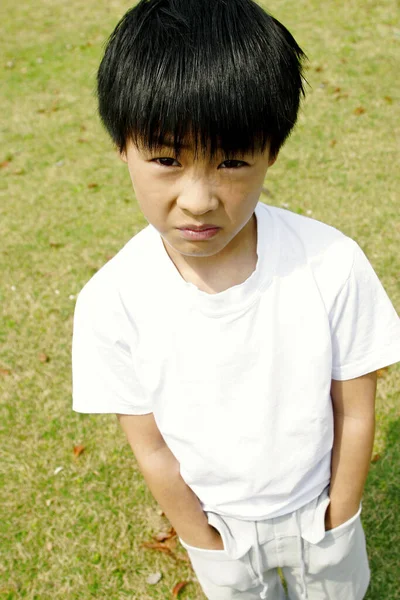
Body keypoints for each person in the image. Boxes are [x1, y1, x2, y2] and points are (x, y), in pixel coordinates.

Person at [71, 1, 400, 598]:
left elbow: (355, 407)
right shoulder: (111, 302)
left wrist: (339, 515)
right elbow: (151, 446)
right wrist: (202, 539)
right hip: (219, 528)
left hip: (320, 512)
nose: (199, 200)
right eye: (167, 160)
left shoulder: (330, 262)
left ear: (272, 151)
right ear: (122, 145)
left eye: (232, 161)